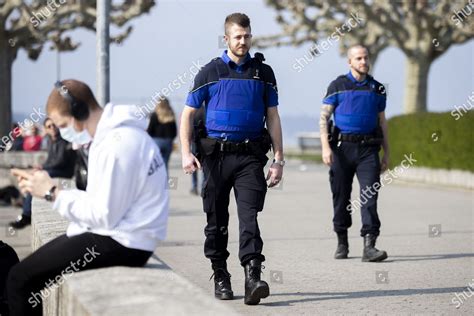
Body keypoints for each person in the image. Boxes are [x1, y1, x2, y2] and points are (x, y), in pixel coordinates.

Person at [7, 79, 169, 315]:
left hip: (124, 242)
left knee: (19, 279)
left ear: (78, 112)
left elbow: (103, 215)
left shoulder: (116, 144)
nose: (63, 133)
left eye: (63, 124)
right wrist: (47, 187)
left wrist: (52, 193)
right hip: (127, 236)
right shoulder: (122, 136)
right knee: (26, 276)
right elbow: (100, 202)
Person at [180, 13, 284, 305]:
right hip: (216, 158)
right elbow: (187, 114)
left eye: (247, 36)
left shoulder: (264, 74)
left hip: (250, 156)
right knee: (217, 220)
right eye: (237, 36)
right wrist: (186, 153)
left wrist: (278, 159)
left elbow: (273, 117)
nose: (243, 41)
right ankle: (221, 273)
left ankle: (253, 276)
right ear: (226, 39)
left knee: (249, 216)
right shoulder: (209, 72)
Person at [319, 44, 389, 262]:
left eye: (366, 58)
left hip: (368, 150)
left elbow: (382, 121)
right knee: (341, 197)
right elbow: (324, 119)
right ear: (349, 62)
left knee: (370, 196)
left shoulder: (378, 89)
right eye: (358, 58)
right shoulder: (337, 86)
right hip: (341, 149)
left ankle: (370, 246)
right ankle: (342, 241)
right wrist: (325, 147)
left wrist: (388, 153)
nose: (363, 62)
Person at [9, 118, 76, 230]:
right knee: (35, 176)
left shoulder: (63, 141)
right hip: (55, 170)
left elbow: (60, 161)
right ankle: (25, 207)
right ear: (46, 129)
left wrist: (43, 168)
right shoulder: (50, 140)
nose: (52, 128)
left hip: (65, 171)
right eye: (49, 126)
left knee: (36, 178)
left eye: (54, 125)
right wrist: (41, 167)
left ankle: (26, 214)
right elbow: (50, 159)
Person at [147, 97, 177, 172]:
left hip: (156, 142)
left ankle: (157, 182)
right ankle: (165, 182)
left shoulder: (154, 115)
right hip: (168, 142)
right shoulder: (171, 114)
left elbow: (150, 130)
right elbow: (174, 132)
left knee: (156, 166)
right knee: (165, 164)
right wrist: (170, 140)